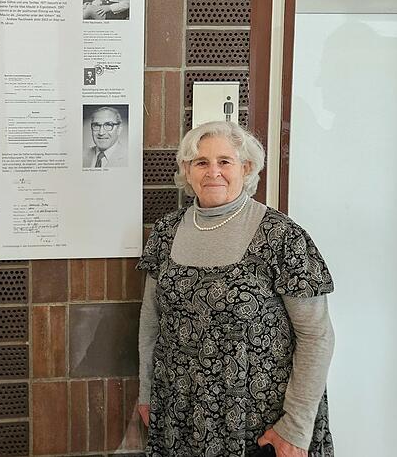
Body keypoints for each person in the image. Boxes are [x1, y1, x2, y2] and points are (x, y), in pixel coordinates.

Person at [137, 121, 335, 457]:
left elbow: (317, 335)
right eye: (201, 162)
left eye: (224, 161)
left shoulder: (281, 236)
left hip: (261, 421)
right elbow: (150, 321)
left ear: (246, 168)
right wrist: (146, 393)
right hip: (179, 411)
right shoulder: (166, 231)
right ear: (187, 171)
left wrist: (296, 427)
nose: (212, 171)